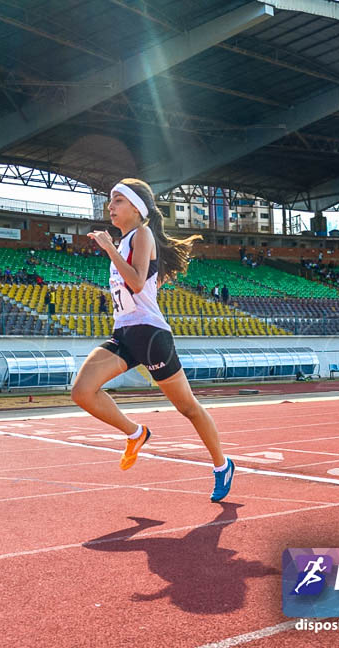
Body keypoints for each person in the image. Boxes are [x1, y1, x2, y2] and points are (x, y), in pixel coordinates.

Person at [72, 178, 234, 502]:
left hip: (150, 335)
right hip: (124, 335)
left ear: (135, 207)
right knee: (81, 391)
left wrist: (108, 249)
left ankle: (222, 465)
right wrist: (112, 249)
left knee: (188, 407)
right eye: (110, 201)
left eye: (117, 200)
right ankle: (136, 433)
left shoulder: (142, 235)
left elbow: (134, 282)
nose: (110, 206)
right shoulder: (122, 242)